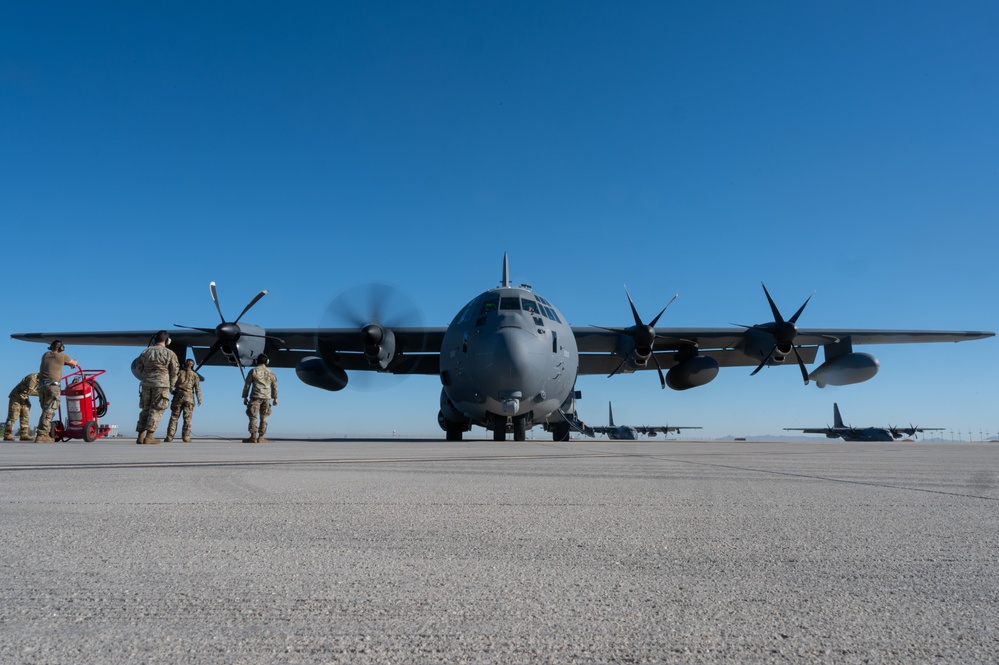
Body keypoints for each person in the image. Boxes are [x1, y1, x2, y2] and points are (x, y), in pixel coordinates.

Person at [135, 330, 179, 444]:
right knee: (157, 409)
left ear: (155, 340)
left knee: (145, 408)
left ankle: (140, 436)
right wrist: (171, 386)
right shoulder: (170, 354)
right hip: (161, 385)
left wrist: (146, 376)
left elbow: (138, 367)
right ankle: (149, 436)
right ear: (168, 341)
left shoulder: (145, 352)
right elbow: (174, 372)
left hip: (146, 383)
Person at [35, 341, 78, 442]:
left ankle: (43, 433)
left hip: (41, 386)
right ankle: (42, 435)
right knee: (49, 411)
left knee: (45, 410)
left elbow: (54, 363)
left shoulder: (45, 355)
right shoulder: (63, 356)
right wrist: (74, 362)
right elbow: (73, 363)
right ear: (61, 348)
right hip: (53, 386)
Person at [241, 353, 277, 443]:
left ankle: (253, 436)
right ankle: (261, 437)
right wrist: (275, 398)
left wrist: (244, 396)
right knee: (264, 417)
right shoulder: (271, 372)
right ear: (267, 362)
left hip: (255, 397)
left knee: (253, 416)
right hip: (267, 397)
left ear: (257, 361)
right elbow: (274, 386)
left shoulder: (253, 371)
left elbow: (247, 385)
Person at [165, 358, 202, 442]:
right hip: (189, 398)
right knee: (187, 418)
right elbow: (198, 389)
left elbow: (172, 384)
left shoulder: (179, 373)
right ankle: (186, 437)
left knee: (174, 417)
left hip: (178, 397)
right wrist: (199, 399)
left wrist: (172, 391)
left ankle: (169, 437)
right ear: (193, 365)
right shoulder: (195, 375)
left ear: (185, 364)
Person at [5, 372, 39, 441]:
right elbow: (31, 391)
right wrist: (43, 393)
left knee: (25, 415)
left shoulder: (42, 380)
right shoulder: (33, 378)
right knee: (13, 415)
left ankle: (24, 434)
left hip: (24, 397)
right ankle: (7, 434)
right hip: (16, 397)